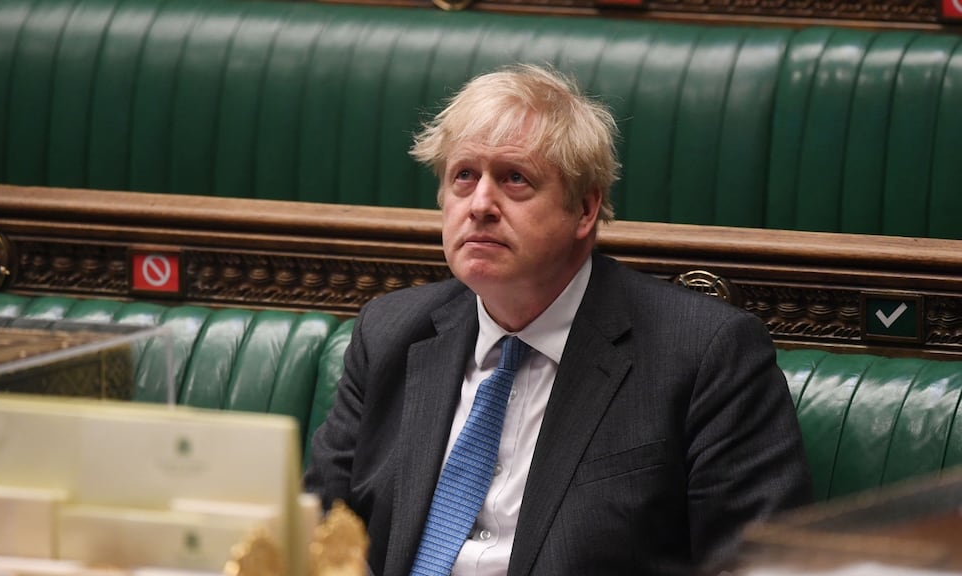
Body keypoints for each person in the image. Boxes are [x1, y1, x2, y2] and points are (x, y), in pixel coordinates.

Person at [304, 63, 812, 576]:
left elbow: (759, 567)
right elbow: (315, 532)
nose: (480, 204)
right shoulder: (389, 333)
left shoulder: (706, 355)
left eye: (514, 179)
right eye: (464, 176)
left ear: (585, 210)